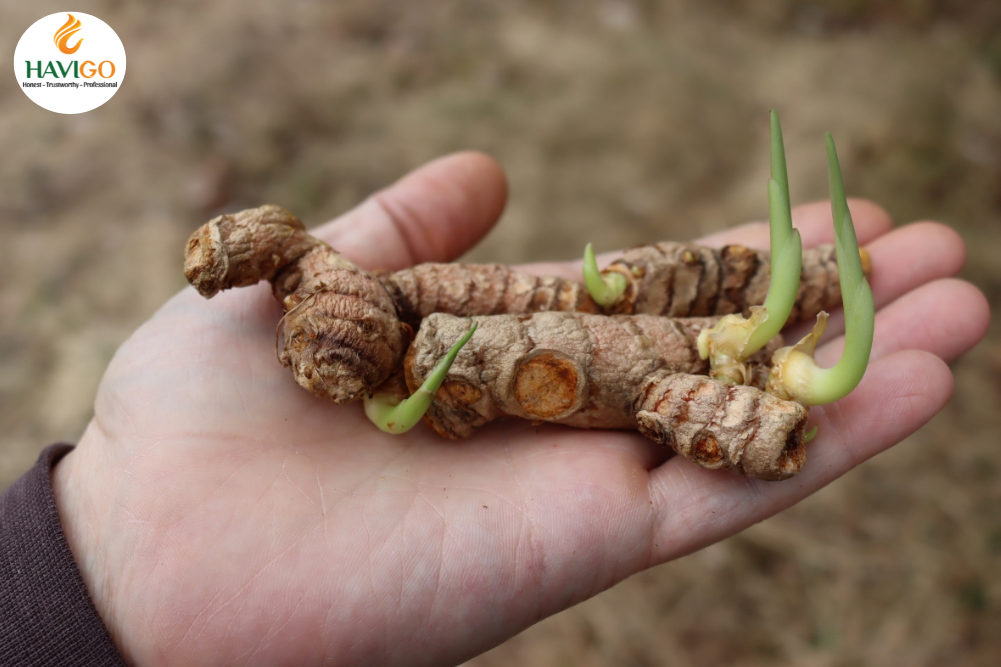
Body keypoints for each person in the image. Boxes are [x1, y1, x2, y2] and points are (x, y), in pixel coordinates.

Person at [1, 152, 990, 666]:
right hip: (622, 370)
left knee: (677, 296)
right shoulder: (390, 325)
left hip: (650, 360)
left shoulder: (402, 309)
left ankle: (783, 324)